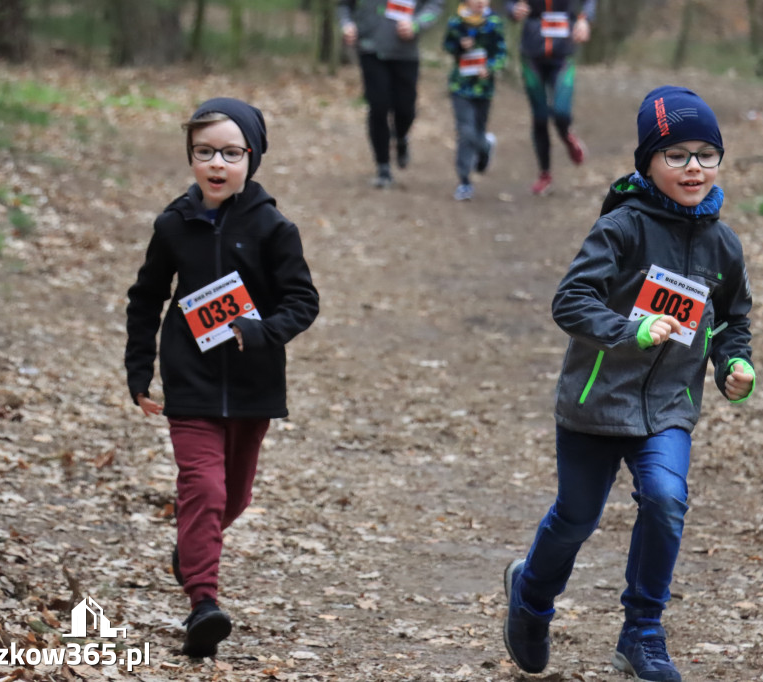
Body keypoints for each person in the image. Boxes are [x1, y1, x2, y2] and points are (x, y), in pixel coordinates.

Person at [502, 86, 756, 681]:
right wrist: (630, 330)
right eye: (676, 155)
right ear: (648, 162)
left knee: (666, 501)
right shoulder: (621, 228)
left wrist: (733, 364)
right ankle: (531, 598)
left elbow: (733, 320)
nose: (693, 167)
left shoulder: (722, 243)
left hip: (669, 406)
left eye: (705, 154)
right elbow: (571, 301)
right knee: (576, 518)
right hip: (596, 402)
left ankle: (642, 633)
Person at [124, 97, 319, 659]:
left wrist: (260, 330)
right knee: (203, 490)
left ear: (251, 158)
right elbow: (146, 298)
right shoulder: (173, 224)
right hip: (191, 383)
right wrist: (140, 369)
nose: (216, 164)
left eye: (231, 153)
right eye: (204, 152)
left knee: (232, 496)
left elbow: (302, 301)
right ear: (190, 157)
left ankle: (190, 550)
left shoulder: (273, 227)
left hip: (254, 386)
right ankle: (203, 606)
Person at [338, 0, 443, 188]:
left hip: (406, 52)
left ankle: (401, 137)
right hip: (370, 48)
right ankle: (383, 166)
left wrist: (417, 24)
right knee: (378, 107)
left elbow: (435, 5)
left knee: (405, 109)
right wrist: (347, 25)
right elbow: (344, 5)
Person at [505, 0, 595, 195]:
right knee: (540, 116)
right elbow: (510, 5)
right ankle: (544, 174)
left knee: (561, 112)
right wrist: (513, 10)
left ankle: (567, 136)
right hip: (532, 55)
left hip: (563, 54)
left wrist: (584, 20)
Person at [442, 0, 507, 201]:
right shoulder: (455, 22)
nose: (480, 1)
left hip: (484, 89)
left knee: (477, 131)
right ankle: (464, 181)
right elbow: (447, 45)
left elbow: (502, 53)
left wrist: (489, 67)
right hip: (460, 87)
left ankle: (485, 147)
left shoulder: (494, 23)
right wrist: (459, 47)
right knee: (465, 131)